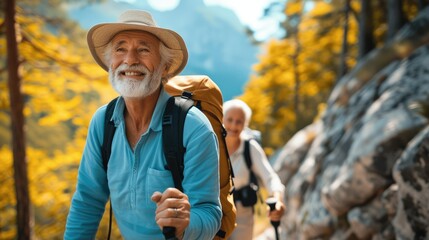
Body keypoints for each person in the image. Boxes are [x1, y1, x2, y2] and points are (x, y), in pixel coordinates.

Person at [64, 10, 222, 239]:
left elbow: (210, 214)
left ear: (165, 67)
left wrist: (185, 224)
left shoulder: (194, 129)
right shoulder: (103, 123)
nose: (130, 59)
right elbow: (87, 201)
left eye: (144, 49)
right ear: (110, 62)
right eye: (120, 49)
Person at [223, 99, 285, 240]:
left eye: (239, 122)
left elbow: (270, 178)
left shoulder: (250, 148)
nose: (233, 125)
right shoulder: (213, 145)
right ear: (222, 119)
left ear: (245, 125)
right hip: (217, 213)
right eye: (230, 119)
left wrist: (277, 199)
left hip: (243, 216)